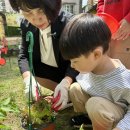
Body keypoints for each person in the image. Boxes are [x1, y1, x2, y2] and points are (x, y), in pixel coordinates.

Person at [59, 13, 130, 130]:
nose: (72, 65)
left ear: (96, 54)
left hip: (116, 115)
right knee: (75, 89)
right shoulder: (89, 68)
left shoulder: (124, 79)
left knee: (95, 105)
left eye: (75, 60)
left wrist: (121, 128)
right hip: (97, 106)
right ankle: (90, 119)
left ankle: (104, 125)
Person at [8, 0, 78, 109]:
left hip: (74, 73)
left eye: (41, 11)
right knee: (30, 69)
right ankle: (63, 94)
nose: (36, 19)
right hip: (51, 72)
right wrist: (28, 80)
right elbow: (23, 55)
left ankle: (71, 93)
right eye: (28, 13)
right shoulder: (26, 25)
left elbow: (80, 58)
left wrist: (66, 82)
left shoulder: (70, 23)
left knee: (77, 89)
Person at [97, 0, 130, 69]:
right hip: (107, 32)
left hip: (126, 34)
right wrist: (102, 17)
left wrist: (128, 20)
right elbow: (101, 2)